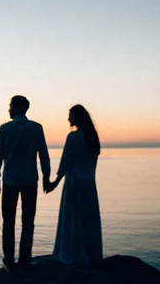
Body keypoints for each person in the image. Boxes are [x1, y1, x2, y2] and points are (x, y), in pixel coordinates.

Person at [0, 95, 51, 269]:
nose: (8, 109)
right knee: (28, 221)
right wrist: (46, 177)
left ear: (17, 108)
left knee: (8, 222)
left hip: (10, 180)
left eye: (10, 106)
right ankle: (24, 259)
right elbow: (44, 155)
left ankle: (9, 260)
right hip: (30, 180)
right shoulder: (36, 128)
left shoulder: (4, 129)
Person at [46, 104, 103, 265]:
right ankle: (91, 253)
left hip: (74, 182)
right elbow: (93, 162)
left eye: (70, 115)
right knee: (88, 218)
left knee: (73, 218)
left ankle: (72, 252)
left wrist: (54, 183)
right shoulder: (93, 136)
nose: (68, 119)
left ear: (77, 117)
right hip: (89, 182)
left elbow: (65, 163)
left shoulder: (73, 137)